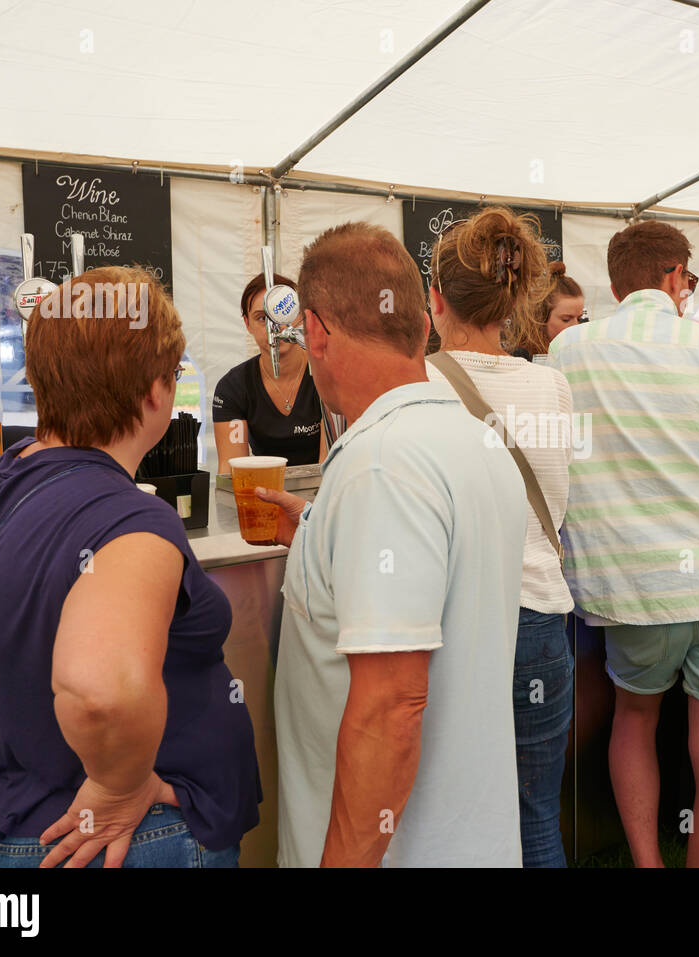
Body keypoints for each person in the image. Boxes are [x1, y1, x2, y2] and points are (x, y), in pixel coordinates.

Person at [0, 266, 261, 868]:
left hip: (8, 828)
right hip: (125, 841)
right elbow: (101, 694)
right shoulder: (133, 523)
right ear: (155, 391)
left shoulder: (1, 478)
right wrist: (119, 787)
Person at [267, 222, 527, 867]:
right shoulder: (470, 440)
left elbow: (391, 704)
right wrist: (320, 531)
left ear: (317, 331)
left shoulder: (382, 466)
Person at [548, 221, 699, 867]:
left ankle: (647, 863)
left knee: (636, 721)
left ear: (615, 281)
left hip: (638, 585)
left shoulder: (569, 352)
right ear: (675, 275)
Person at [425, 206, 575, 866]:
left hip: (458, 624)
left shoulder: (419, 383)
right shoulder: (552, 384)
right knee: (537, 811)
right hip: (541, 621)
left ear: (435, 298)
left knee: (452, 814)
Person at [212, 272, 343, 473]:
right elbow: (231, 470)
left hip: (321, 493)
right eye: (262, 318)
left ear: (300, 316)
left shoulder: (326, 372)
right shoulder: (233, 387)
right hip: (264, 494)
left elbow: (332, 464)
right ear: (247, 324)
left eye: (282, 313)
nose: (274, 327)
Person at [510, 260, 584, 360]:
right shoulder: (521, 358)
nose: (575, 326)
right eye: (566, 319)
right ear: (541, 317)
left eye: (579, 318)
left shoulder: (582, 353)